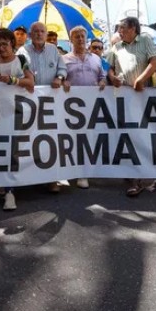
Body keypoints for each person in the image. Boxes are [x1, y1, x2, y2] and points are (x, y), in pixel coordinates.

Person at [107, 17, 156, 197]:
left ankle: (145, 177)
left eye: (123, 29)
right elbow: (109, 67)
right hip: (125, 98)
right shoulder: (117, 47)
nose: (119, 32)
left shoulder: (146, 40)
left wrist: (140, 79)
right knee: (129, 136)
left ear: (134, 29)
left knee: (143, 135)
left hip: (144, 96)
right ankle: (136, 177)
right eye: (119, 29)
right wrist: (113, 77)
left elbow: (154, 63)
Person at [17, 21, 69, 193]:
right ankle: (30, 177)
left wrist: (59, 78)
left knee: (51, 140)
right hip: (29, 102)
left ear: (46, 34)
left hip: (51, 102)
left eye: (42, 31)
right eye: (35, 31)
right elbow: (18, 72)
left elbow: (62, 68)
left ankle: (52, 179)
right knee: (30, 140)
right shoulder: (23, 51)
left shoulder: (54, 50)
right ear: (30, 35)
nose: (39, 34)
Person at [0, 28, 36, 211]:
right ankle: (2, 183)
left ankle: (10, 192)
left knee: (12, 150)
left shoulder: (21, 61)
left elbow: (30, 82)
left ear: (12, 44)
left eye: (5, 44)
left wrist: (10, 80)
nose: (1, 48)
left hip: (15, 113)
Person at [63, 26, 106, 189]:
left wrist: (103, 81)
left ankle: (83, 173)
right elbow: (59, 77)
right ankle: (69, 171)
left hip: (92, 106)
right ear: (71, 39)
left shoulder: (96, 58)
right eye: (77, 37)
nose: (80, 39)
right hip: (70, 107)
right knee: (71, 139)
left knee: (88, 139)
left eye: (82, 36)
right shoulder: (64, 59)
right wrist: (63, 81)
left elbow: (102, 76)